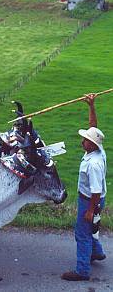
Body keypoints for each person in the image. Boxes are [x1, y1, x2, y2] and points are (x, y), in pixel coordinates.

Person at [62, 93, 107, 281]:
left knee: (82, 233)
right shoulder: (98, 150)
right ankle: (97, 252)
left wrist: (90, 209)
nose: (82, 141)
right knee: (91, 228)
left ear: (92, 144)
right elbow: (93, 127)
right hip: (94, 200)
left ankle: (82, 271)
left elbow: (95, 190)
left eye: (86, 140)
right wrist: (91, 105)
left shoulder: (93, 164)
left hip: (90, 200)